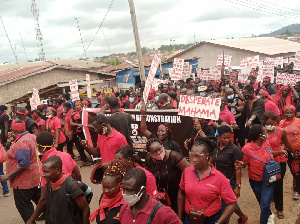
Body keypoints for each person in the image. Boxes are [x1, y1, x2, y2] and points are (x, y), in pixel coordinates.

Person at [26, 131, 82, 223]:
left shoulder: (46, 166)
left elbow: (43, 199)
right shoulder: (66, 155)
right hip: (72, 203)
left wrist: (32, 219)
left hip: (58, 207)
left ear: (39, 147)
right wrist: (75, 191)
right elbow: (78, 175)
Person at [177, 141, 237, 224]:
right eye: (192, 155)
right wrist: (179, 217)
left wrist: (218, 222)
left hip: (211, 219)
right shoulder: (186, 172)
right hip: (190, 218)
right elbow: (181, 193)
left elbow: (232, 203)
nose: (193, 159)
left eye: (197, 156)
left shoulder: (219, 177)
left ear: (207, 156)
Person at [27, 155, 90, 224]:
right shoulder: (49, 184)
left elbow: (85, 209)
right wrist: (31, 219)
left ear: (58, 170)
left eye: (46, 172)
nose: (43, 175)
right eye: (43, 172)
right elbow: (43, 201)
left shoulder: (72, 186)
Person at [0, 118, 40, 222]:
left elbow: (23, 164)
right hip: (35, 177)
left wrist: (7, 176)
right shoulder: (30, 136)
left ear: (13, 130)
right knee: (40, 200)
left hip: (23, 182)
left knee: (24, 205)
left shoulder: (22, 143)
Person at [239, 124, 276, 224]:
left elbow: (271, 154)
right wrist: (240, 164)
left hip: (269, 179)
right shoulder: (246, 149)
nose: (267, 133)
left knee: (264, 205)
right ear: (260, 135)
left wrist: (280, 152)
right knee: (262, 202)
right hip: (255, 180)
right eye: (265, 132)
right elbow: (244, 164)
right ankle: (269, 214)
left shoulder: (266, 143)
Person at [263, 111, 297, 218]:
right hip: (265, 160)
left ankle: (279, 208)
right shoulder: (261, 132)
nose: (270, 126)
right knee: (266, 183)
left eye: (272, 124)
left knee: (278, 184)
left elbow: (286, 142)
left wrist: (292, 151)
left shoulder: (281, 131)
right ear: (264, 122)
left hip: (279, 161)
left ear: (275, 122)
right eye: (268, 124)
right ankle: (267, 207)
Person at [211, 126, 248, 224]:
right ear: (219, 137)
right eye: (225, 138)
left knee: (225, 205)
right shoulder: (215, 146)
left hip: (230, 181)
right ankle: (242, 216)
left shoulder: (234, 149)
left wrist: (237, 186)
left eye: (229, 137)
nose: (228, 140)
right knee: (230, 202)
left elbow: (238, 168)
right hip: (218, 180)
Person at [145, 138, 190, 213]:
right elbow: (146, 177)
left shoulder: (174, 156)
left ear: (162, 146)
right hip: (158, 198)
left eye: (159, 149)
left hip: (176, 197)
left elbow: (189, 172)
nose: (158, 153)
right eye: (154, 153)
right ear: (150, 154)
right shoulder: (149, 160)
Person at [89, 160, 126, 224]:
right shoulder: (103, 197)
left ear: (119, 184)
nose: (106, 191)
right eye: (104, 186)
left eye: (109, 187)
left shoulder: (125, 203)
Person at [279, 105, 300, 200]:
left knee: (296, 170)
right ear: (284, 113)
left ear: (294, 113)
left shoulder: (298, 121)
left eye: (291, 112)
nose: (289, 115)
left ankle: (296, 190)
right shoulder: (282, 123)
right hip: (287, 150)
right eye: (287, 113)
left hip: (298, 150)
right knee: (292, 170)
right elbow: (279, 136)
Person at [70, 101, 93, 166]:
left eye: (78, 105)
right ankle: (84, 159)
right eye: (76, 105)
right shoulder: (73, 113)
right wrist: (78, 124)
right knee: (79, 146)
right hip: (76, 132)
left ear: (81, 105)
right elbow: (71, 122)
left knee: (87, 146)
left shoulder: (84, 112)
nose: (77, 107)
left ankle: (92, 158)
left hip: (84, 132)